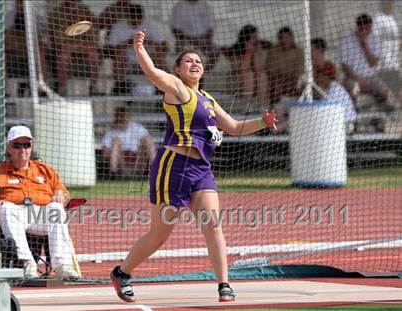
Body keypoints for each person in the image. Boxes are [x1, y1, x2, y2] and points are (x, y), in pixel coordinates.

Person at [109, 29, 278, 303]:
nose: (194, 63)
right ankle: (122, 272)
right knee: (160, 234)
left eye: (198, 60)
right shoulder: (177, 89)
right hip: (172, 167)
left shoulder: (208, 100)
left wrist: (262, 122)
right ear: (178, 69)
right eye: (188, 60)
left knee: (213, 225)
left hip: (201, 171)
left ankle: (224, 285)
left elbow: (233, 127)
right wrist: (139, 48)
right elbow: (152, 72)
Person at [0, 125, 80, 280]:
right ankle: (28, 263)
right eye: (17, 145)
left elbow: (63, 192)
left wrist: (61, 195)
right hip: (14, 215)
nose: (23, 149)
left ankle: (63, 267)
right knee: (6, 208)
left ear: (31, 146)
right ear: (8, 148)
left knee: (56, 208)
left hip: (40, 213)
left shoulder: (45, 170)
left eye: (27, 145)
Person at [107, 3, 168, 95]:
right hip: (127, 61)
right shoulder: (118, 27)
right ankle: (119, 84)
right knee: (118, 55)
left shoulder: (150, 25)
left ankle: (161, 84)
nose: (136, 23)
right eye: (133, 20)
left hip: (148, 59)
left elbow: (165, 46)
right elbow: (111, 49)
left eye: (138, 20)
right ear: (128, 17)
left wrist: (147, 42)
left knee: (159, 55)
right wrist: (128, 43)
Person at [338, 14, 392, 112]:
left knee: (384, 91)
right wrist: (358, 79)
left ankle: (378, 118)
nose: (368, 31)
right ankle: (355, 118)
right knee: (353, 91)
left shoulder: (374, 38)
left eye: (369, 28)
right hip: (353, 77)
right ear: (359, 27)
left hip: (371, 76)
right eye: (365, 28)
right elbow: (345, 66)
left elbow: (373, 63)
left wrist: (363, 43)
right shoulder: (347, 39)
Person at [47, 0, 100, 95]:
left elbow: (95, 38)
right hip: (64, 48)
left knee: (93, 51)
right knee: (64, 53)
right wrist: (70, 23)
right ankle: (62, 87)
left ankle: (93, 87)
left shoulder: (85, 11)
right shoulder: (55, 14)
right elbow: (57, 40)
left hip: (85, 48)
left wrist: (84, 22)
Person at [221, 24, 269, 110]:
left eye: (256, 37)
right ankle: (248, 105)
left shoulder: (258, 49)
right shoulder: (236, 50)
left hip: (255, 84)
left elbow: (259, 68)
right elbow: (242, 69)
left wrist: (256, 53)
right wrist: (248, 52)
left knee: (262, 75)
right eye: (253, 37)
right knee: (249, 74)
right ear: (246, 37)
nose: (256, 40)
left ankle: (262, 106)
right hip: (237, 82)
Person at [101, 105, 156, 178]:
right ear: (117, 118)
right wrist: (117, 150)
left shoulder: (137, 128)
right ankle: (113, 173)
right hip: (121, 162)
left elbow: (148, 144)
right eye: (120, 116)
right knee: (116, 141)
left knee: (147, 138)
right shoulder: (111, 132)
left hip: (138, 162)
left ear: (129, 117)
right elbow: (104, 155)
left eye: (125, 116)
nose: (123, 119)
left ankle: (156, 168)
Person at [170, 0, 219, 71]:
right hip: (184, 39)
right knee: (187, 53)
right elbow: (175, 29)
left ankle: (202, 74)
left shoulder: (205, 5)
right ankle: (186, 74)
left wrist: (207, 41)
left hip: (203, 39)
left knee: (215, 52)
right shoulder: (179, 6)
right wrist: (190, 40)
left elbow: (211, 27)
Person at [371, 0, 401, 107]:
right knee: (398, 90)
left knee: (394, 91)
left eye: (392, 2)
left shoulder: (391, 19)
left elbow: (396, 42)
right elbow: (374, 42)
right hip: (384, 64)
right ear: (383, 3)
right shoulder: (377, 19)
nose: (391, 5)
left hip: (394, 63)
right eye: (388, 2)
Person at [266, 27, 304, 107]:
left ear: (291, 38)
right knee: (276, 85)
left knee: (300, 85)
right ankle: (274, 110)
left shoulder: (298, 51)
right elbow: (271, 68)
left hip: (293, 79)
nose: (284, 40)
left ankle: (295, 106)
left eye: (287, 37)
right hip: (277, 79)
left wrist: (292, 78)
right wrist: (280, 77)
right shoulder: (273, 51)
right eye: (282, 38)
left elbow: (299, 69)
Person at [313, 62, 357, 132]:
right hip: (339, 122)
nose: (318, 80)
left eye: (319, 76)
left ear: (326, 76)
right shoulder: (329, 88)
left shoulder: (335, 89)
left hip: (347, 123)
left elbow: (326, 112)